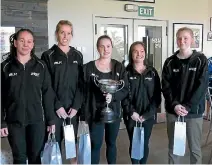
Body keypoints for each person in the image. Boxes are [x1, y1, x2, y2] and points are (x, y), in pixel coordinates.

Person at [1, 28, 56, 164]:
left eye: (29, 41)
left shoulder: (41, 67)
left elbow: (48, 94)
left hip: (37, 121)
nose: (26, 44)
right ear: (15, 43)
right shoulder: (5, 67)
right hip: (14, 122)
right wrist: (1, 122)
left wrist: (51, 120)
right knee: (19, 158)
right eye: (22, 40)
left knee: (35, 157)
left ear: (33, 45)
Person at [162, 27, 208, 164]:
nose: (182, 41)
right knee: (174, 149)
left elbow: (202, 86)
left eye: (185, 38)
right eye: (179, 38)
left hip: (194, 113)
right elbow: (166, 86)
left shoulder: (200, 60)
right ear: (176, 40)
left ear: (192, 40)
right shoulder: (170, 62)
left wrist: (187, 106)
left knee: (195, 149)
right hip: (173, 112)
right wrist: (175, 105)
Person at [81, 35, 128, 164]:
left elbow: (125, 90)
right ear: (97, 48)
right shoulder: (88, 68)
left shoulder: (119, 67)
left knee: (111, 143)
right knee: (95, 145)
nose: (105, 49)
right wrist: (84, 116)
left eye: (108, 46)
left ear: (112, 47)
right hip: (94, 113)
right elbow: (83, 93)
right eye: (102, 46)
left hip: (114, 112)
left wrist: (113, 96)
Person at [41, 20, 83, 164]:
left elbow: (81, 84)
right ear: (57, 34)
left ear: (72, 35)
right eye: (62, 32)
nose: (65, 36)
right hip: (55, 110)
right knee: (55, 147)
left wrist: (76, 106)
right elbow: (46, 85)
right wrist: (57, 106)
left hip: (72, 110)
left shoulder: (77, 55)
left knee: (72, 147)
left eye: (68, 33)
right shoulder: (48, 55)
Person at [121, 41, 161, 164]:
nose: (139, 54)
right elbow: (123, 95)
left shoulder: (152, 72)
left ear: (145, 53)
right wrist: (131, 112)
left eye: (142, 51)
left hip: (147, 116)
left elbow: (157, 96)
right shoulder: (125, 72)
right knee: (135, 142)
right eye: (135, 51)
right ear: (131, 54)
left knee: (144, 142)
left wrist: (148, 114)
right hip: (132, 116)